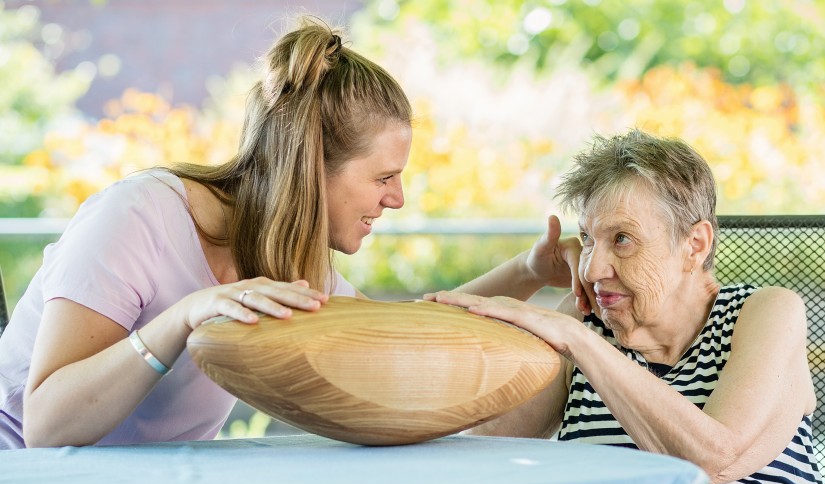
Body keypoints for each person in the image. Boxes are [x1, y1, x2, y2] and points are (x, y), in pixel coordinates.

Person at [0, 18, 580, 449]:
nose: (397, 198)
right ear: (310, 166)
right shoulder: (137, 216)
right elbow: (48, 424)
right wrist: (184, 317)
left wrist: (528, 273)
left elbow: (408, 337)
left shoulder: (290, 262)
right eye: (383, 176)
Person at [428, 129, 825, 484]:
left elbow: (715, 459)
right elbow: (479, 449)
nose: (591, 267)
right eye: (587, 238)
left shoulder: (765, 311)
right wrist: (526, 272)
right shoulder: (588, 319)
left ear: (694, 245)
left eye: (622, 239)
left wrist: (577, 340)